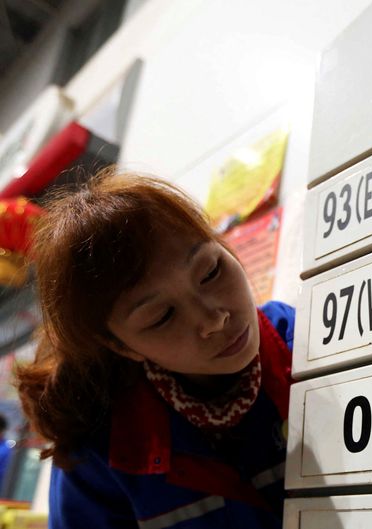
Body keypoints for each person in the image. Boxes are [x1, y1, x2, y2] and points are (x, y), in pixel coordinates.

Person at [15, 171, 293, 528]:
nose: (213, 319)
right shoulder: (101, 457)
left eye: (210, 271)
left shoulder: (305, 343)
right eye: (162, 317)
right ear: (120, 346)